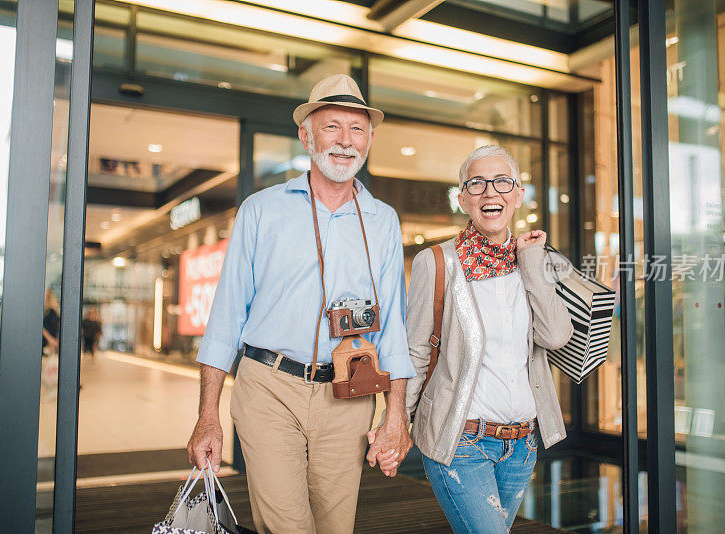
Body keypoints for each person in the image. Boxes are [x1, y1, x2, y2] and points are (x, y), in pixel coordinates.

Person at [187, 74, 414, 534]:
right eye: (332, 127)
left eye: (357, 129)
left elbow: (392, 329)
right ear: (306, 134)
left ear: (370, 139)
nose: (345, 142)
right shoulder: (261, 210)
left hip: (349, 395)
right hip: (269, 389)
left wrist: (396, 416)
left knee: (336, 527)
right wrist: (207, 416)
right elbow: (226, 317)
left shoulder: (383, 220)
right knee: (288, 525)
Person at [403, 145, 573, 534]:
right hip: (461, 440)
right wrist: (398, 421)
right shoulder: (438, 262)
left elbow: (556, 335)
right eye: (476, 183)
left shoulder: (533, 258)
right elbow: (415, 350)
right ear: (463, 199)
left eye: (502, 182)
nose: (490, 192)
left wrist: (531, 263)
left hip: (522, 443)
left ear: (517, 195)